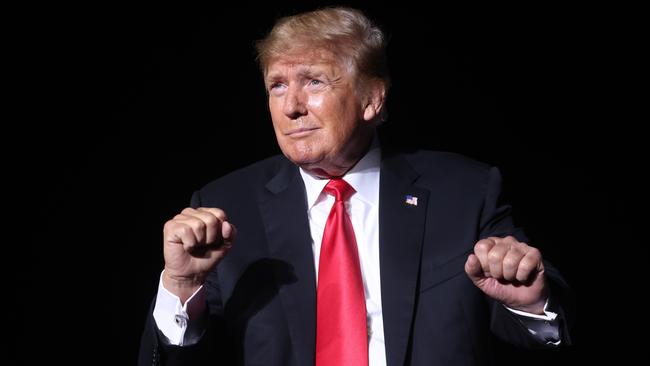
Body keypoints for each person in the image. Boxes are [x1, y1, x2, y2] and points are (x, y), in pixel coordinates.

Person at [138, 7, 573, 366]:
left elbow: (541, 334)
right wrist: (179, 287)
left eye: (313, 81)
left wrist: (529, 306)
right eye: (277, 85)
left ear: (372, 99)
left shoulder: (464, 191)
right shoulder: (226, 208)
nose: (291, 106)